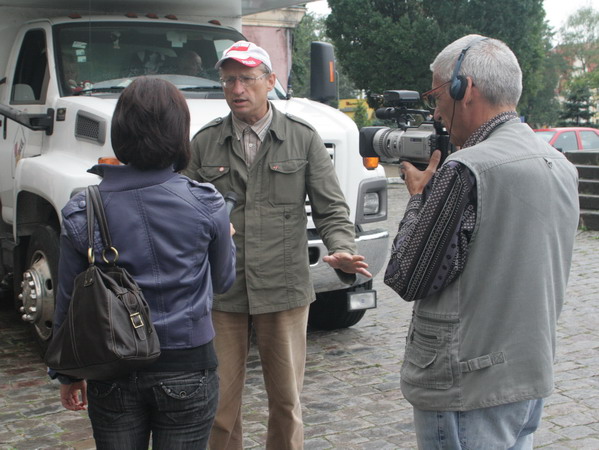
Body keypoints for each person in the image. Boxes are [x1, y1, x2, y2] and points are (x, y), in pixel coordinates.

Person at [383, 34, 580, 449]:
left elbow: (408, 276)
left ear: (464, 89)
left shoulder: (467, 168)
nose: (435, 111)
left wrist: (419, 198)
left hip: (466, 388)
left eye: (437, 95)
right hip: (528, 378)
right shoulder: (559, 165)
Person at [183, 40, 372, 449]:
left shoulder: (302, 139)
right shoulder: (204, 143)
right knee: (219, 408)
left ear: (270, 81)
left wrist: (341, 247)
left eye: (247, 79)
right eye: (229, 79)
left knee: (286, 404)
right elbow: (183, 210)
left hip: (285, 289)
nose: (237, 89)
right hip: (223, 292)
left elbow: (333, 209)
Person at [51, 77, 236, 449]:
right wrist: (227, 239)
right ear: (179, 132)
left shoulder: (83, 209)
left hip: (111, 364)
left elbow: (69, 302)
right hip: (188, 362)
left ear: (121, 131)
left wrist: (67, 373)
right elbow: (224, 281)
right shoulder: (207, 203)